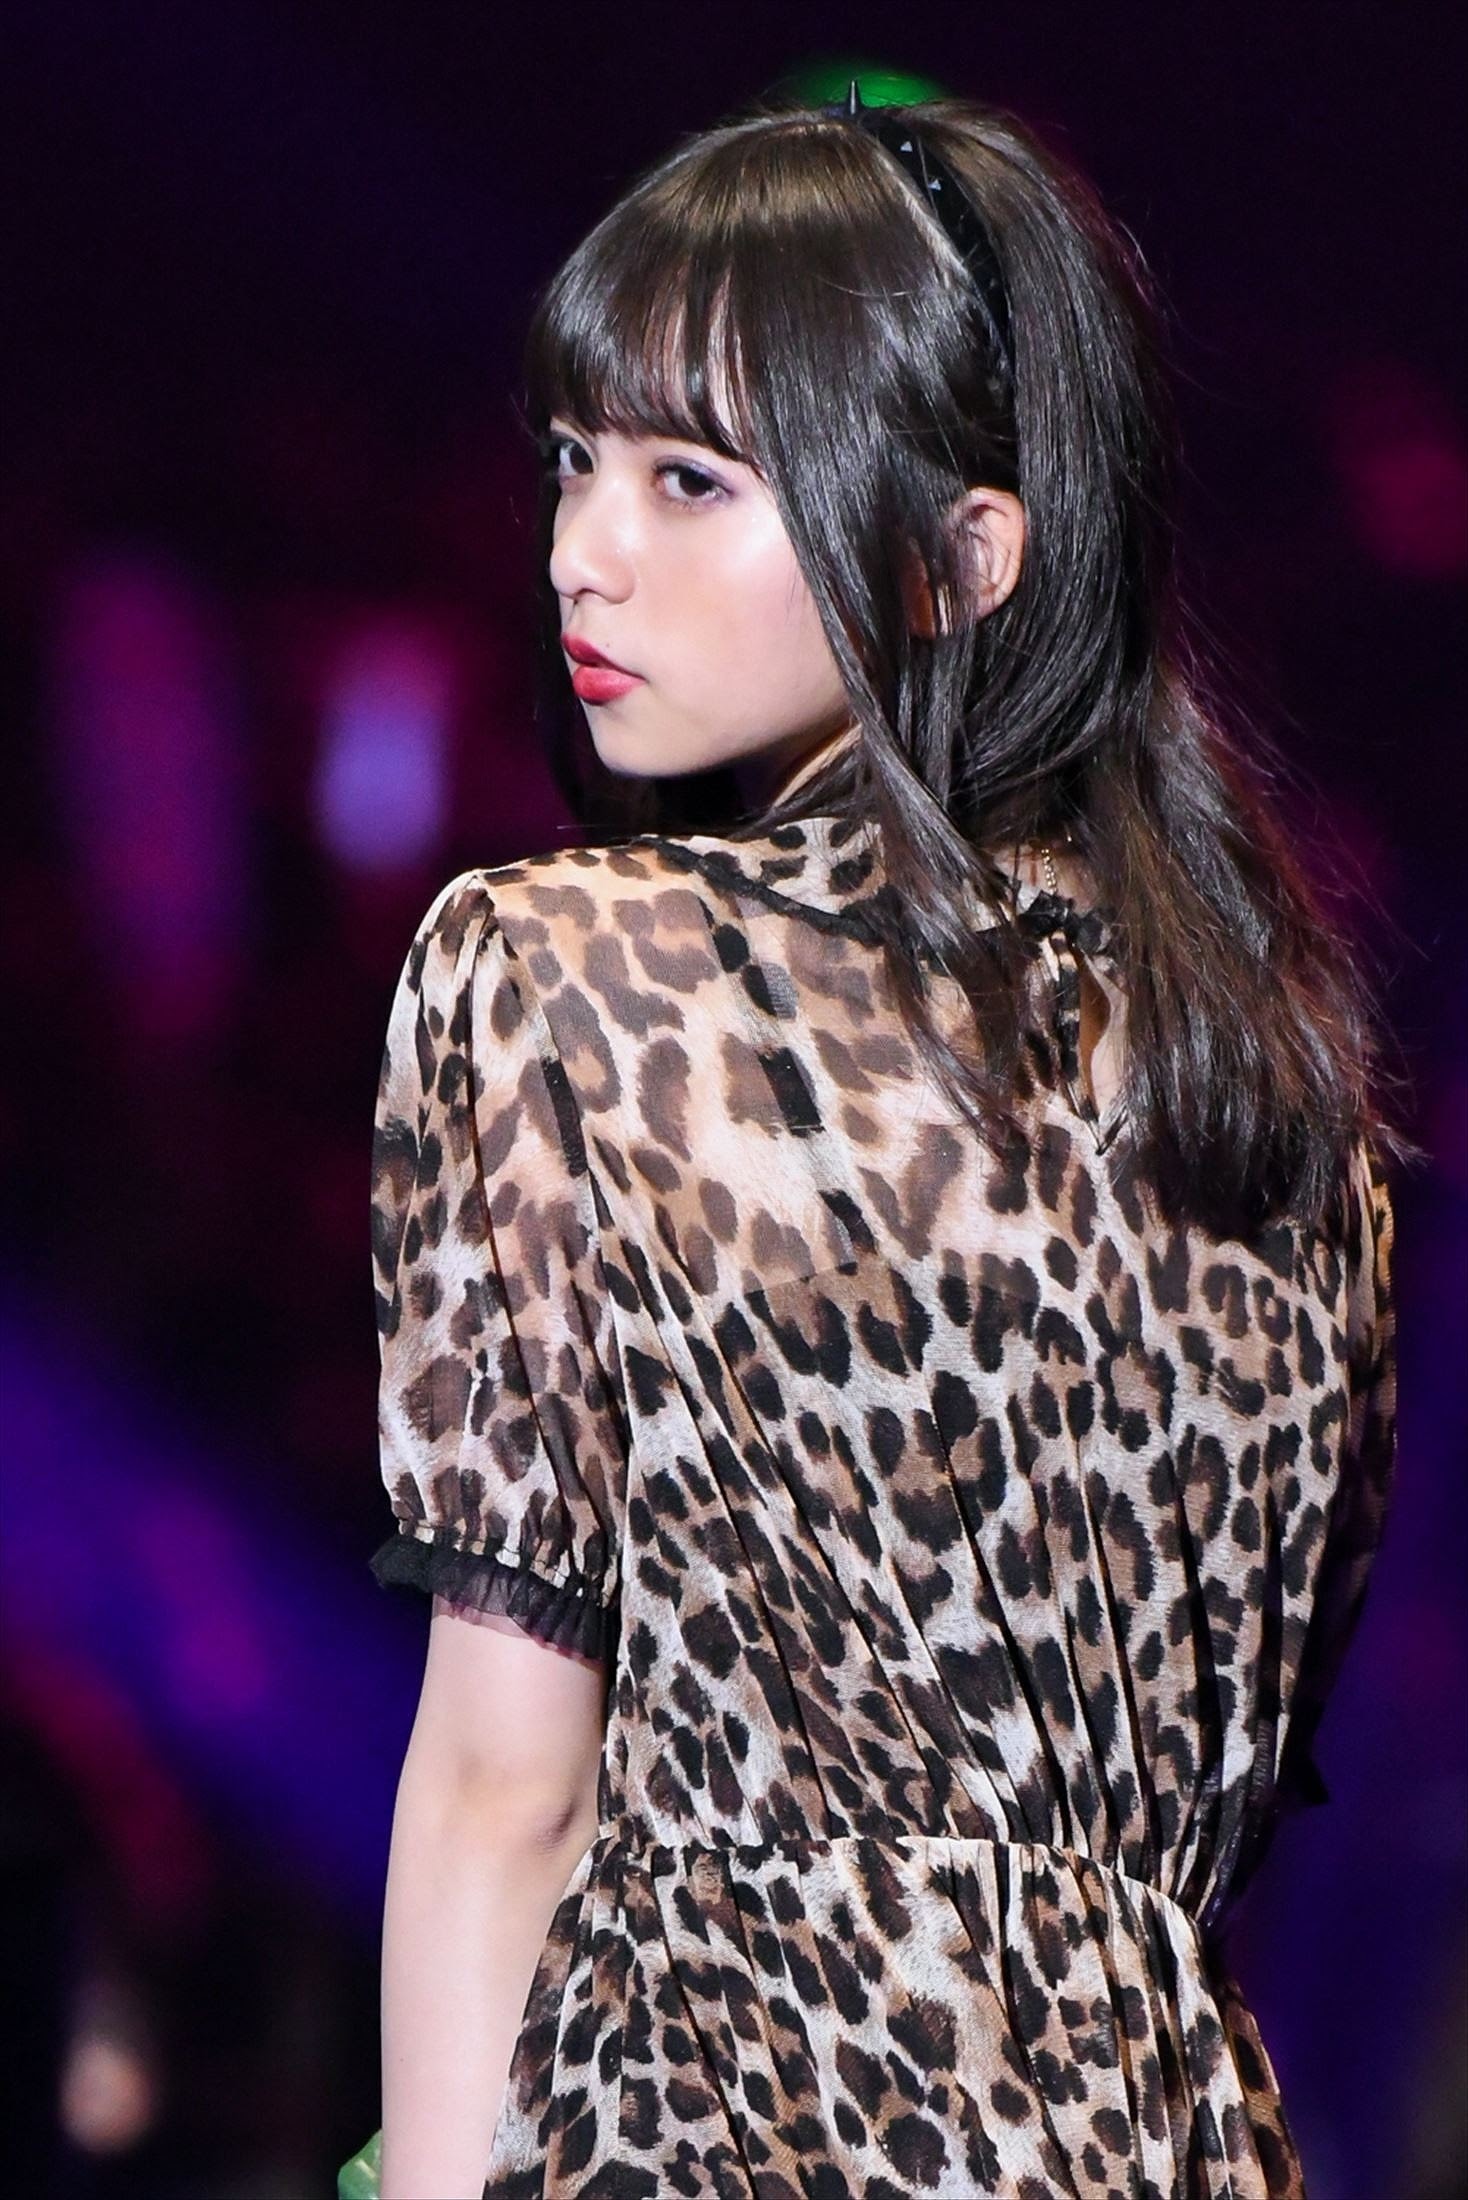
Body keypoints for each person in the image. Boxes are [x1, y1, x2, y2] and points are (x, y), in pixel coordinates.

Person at [355, 84, 1398, 2200]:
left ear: (956, 559)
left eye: (689, 478)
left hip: (715, 2118)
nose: (579, 549)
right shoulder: (1287, 1109)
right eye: (571, 459)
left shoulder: (567, 980)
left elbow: (502, 1791)